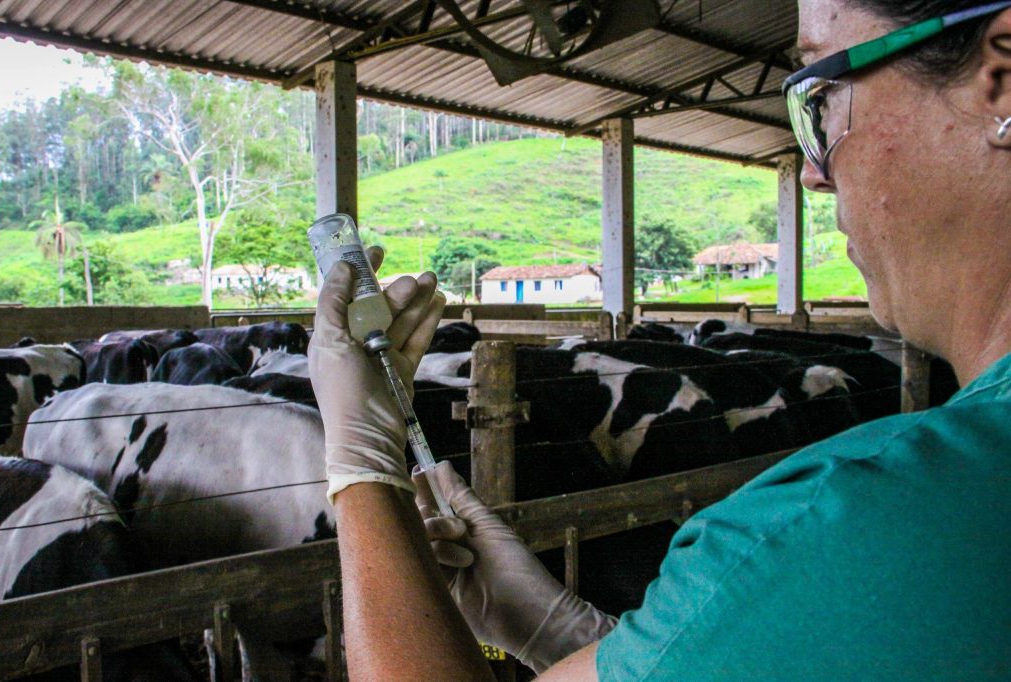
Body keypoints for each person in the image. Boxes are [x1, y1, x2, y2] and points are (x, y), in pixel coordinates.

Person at [308, 1, 1011, 678]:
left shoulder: (855, 529)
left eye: (822, 94)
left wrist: (363, 469)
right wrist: (557, 629)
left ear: (1002, 75)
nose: (814, 172)